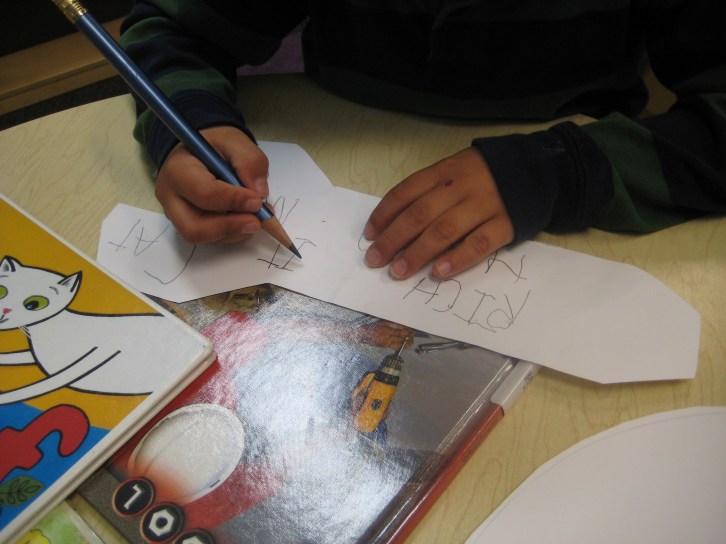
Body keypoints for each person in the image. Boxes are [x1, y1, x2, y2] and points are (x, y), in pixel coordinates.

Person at [120, 1, 726, 281]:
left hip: (594, 211)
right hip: (337, 130)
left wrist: (557, 169)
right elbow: (172, 27)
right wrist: (192, 122)